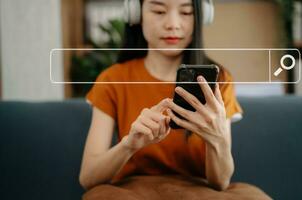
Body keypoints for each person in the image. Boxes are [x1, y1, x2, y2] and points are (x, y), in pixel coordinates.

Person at [79, 0, 271, 199]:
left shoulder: (219, 80)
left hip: (202, 192)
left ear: (200, 16)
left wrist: (218, 140)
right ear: (135, 14)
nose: (173, 24)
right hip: (132, 192)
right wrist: (129, 145)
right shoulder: (113, 79)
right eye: (159, 11)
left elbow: (220, 182)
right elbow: (88, 178)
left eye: (186, 12)